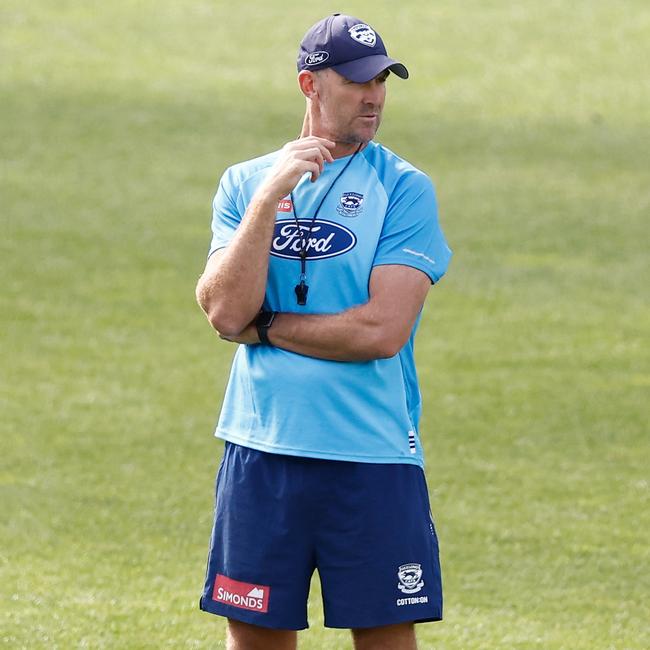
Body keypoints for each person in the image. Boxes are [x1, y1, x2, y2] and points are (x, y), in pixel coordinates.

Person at [195, 13, 452, 650]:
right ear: (311, 85)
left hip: (372, 454)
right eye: (359, 80)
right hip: (263, 451)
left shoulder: (404, 190)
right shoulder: (244, 183)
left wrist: (271, 324)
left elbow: (380, 331)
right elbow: (226, 312)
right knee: (255, 639)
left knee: (387, 638)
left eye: (383, 81)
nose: (376, 96)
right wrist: (267, 199)